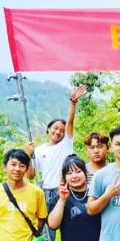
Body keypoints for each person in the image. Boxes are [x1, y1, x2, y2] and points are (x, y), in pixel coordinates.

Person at [47, 155, 102, 241]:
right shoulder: (59, 198)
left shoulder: (96, 194)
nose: (74, 176)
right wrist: (62, 200)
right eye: (69, 173)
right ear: (64, 177)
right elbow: (53, 224)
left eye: (78, 171)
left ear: (85, 173)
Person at [32, 87, 87, 216]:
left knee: (68, 219)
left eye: (62, 131)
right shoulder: (38, 150)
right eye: (55, 128)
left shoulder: (65, 143)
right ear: (48, 129)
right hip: (46, 190)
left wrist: (73, 102)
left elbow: (70, 122)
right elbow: (31, 175)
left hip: (65, 188)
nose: (58, 132)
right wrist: (28, 155)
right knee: (48, 222)